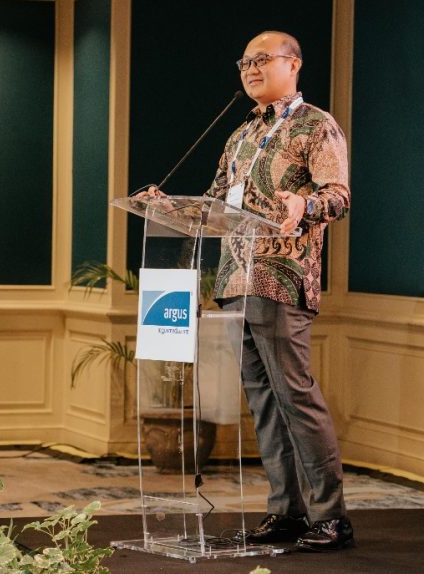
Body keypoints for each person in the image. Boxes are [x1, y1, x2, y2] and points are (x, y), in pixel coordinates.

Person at [145, 30, 353, 552]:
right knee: (263, 403)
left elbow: (338, 195)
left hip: (280, 278)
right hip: (234, 281)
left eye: (262, 60)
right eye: (244, 63)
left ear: (294, 64)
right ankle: (285, 511)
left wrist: (305, 205)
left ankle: (330, 517)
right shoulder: (240, 134)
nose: (250, 69)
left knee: (294, 398)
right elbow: (216, 202)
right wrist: (168, 207)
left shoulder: (315, 125)